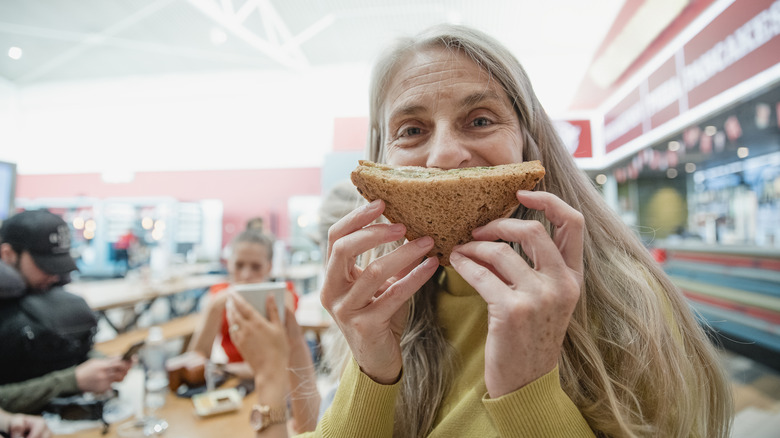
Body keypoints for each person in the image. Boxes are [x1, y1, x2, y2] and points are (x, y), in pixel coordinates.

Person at [241, 24, 734, 437]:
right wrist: (370, 366)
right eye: (411, 130)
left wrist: (529, 386)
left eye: (479, 119)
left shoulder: (629, 306)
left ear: (529, 143)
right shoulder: (388, 305)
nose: (442, 157)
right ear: (380, 159)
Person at [188, 230, 320, 433]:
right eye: (239, 265)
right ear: (229, 264)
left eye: (256, 267)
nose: (246, 275)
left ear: (268, 267)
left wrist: (226, 369)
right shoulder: (218, 297)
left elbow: (284, 365)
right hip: (238, 386)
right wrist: (213, 308)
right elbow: (195, 361)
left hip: (275, 387)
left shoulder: (282, 298)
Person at [0, 210, 131, 414]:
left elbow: (58, 356)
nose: (54, 275)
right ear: (7, 254)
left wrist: (101, 364)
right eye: (44, 265)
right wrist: (72, 381)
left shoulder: (47, 298)